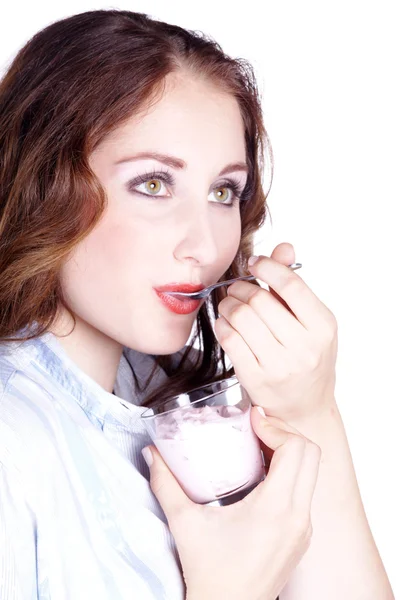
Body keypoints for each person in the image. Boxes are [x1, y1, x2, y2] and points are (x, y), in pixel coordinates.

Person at [0, 8, 394, 600]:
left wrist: (311, 412)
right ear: (42, 182)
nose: (208, 246)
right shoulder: (13, 444)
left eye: (222, 191)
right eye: (154, 184)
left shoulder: (188, 409)